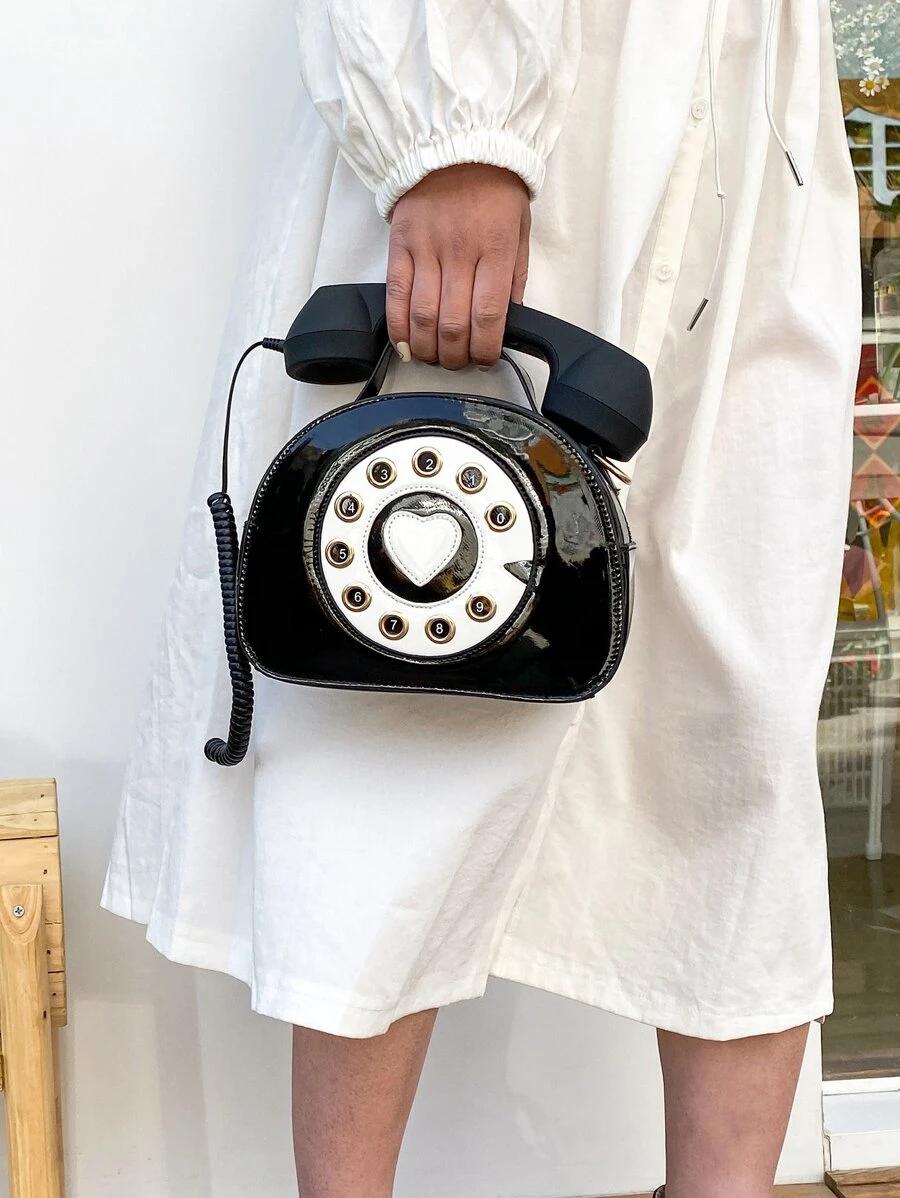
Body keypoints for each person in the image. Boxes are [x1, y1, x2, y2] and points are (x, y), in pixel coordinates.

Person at [101, 1, 861, 1195]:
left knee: (737, 734)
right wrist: (453, 134)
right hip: (537, 118)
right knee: (400, 742)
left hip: (751, 142)